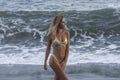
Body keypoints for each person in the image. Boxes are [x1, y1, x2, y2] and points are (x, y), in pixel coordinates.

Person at [44, 16, 70, 80]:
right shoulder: (51, 34)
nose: (65, 24)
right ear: (58, 23)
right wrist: (45, 61)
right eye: (63, 22)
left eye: (64, 22)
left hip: (63, 60)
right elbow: (48, 48)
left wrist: (65, 61)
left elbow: (67, 49)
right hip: (54, 60)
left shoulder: (67, 33)